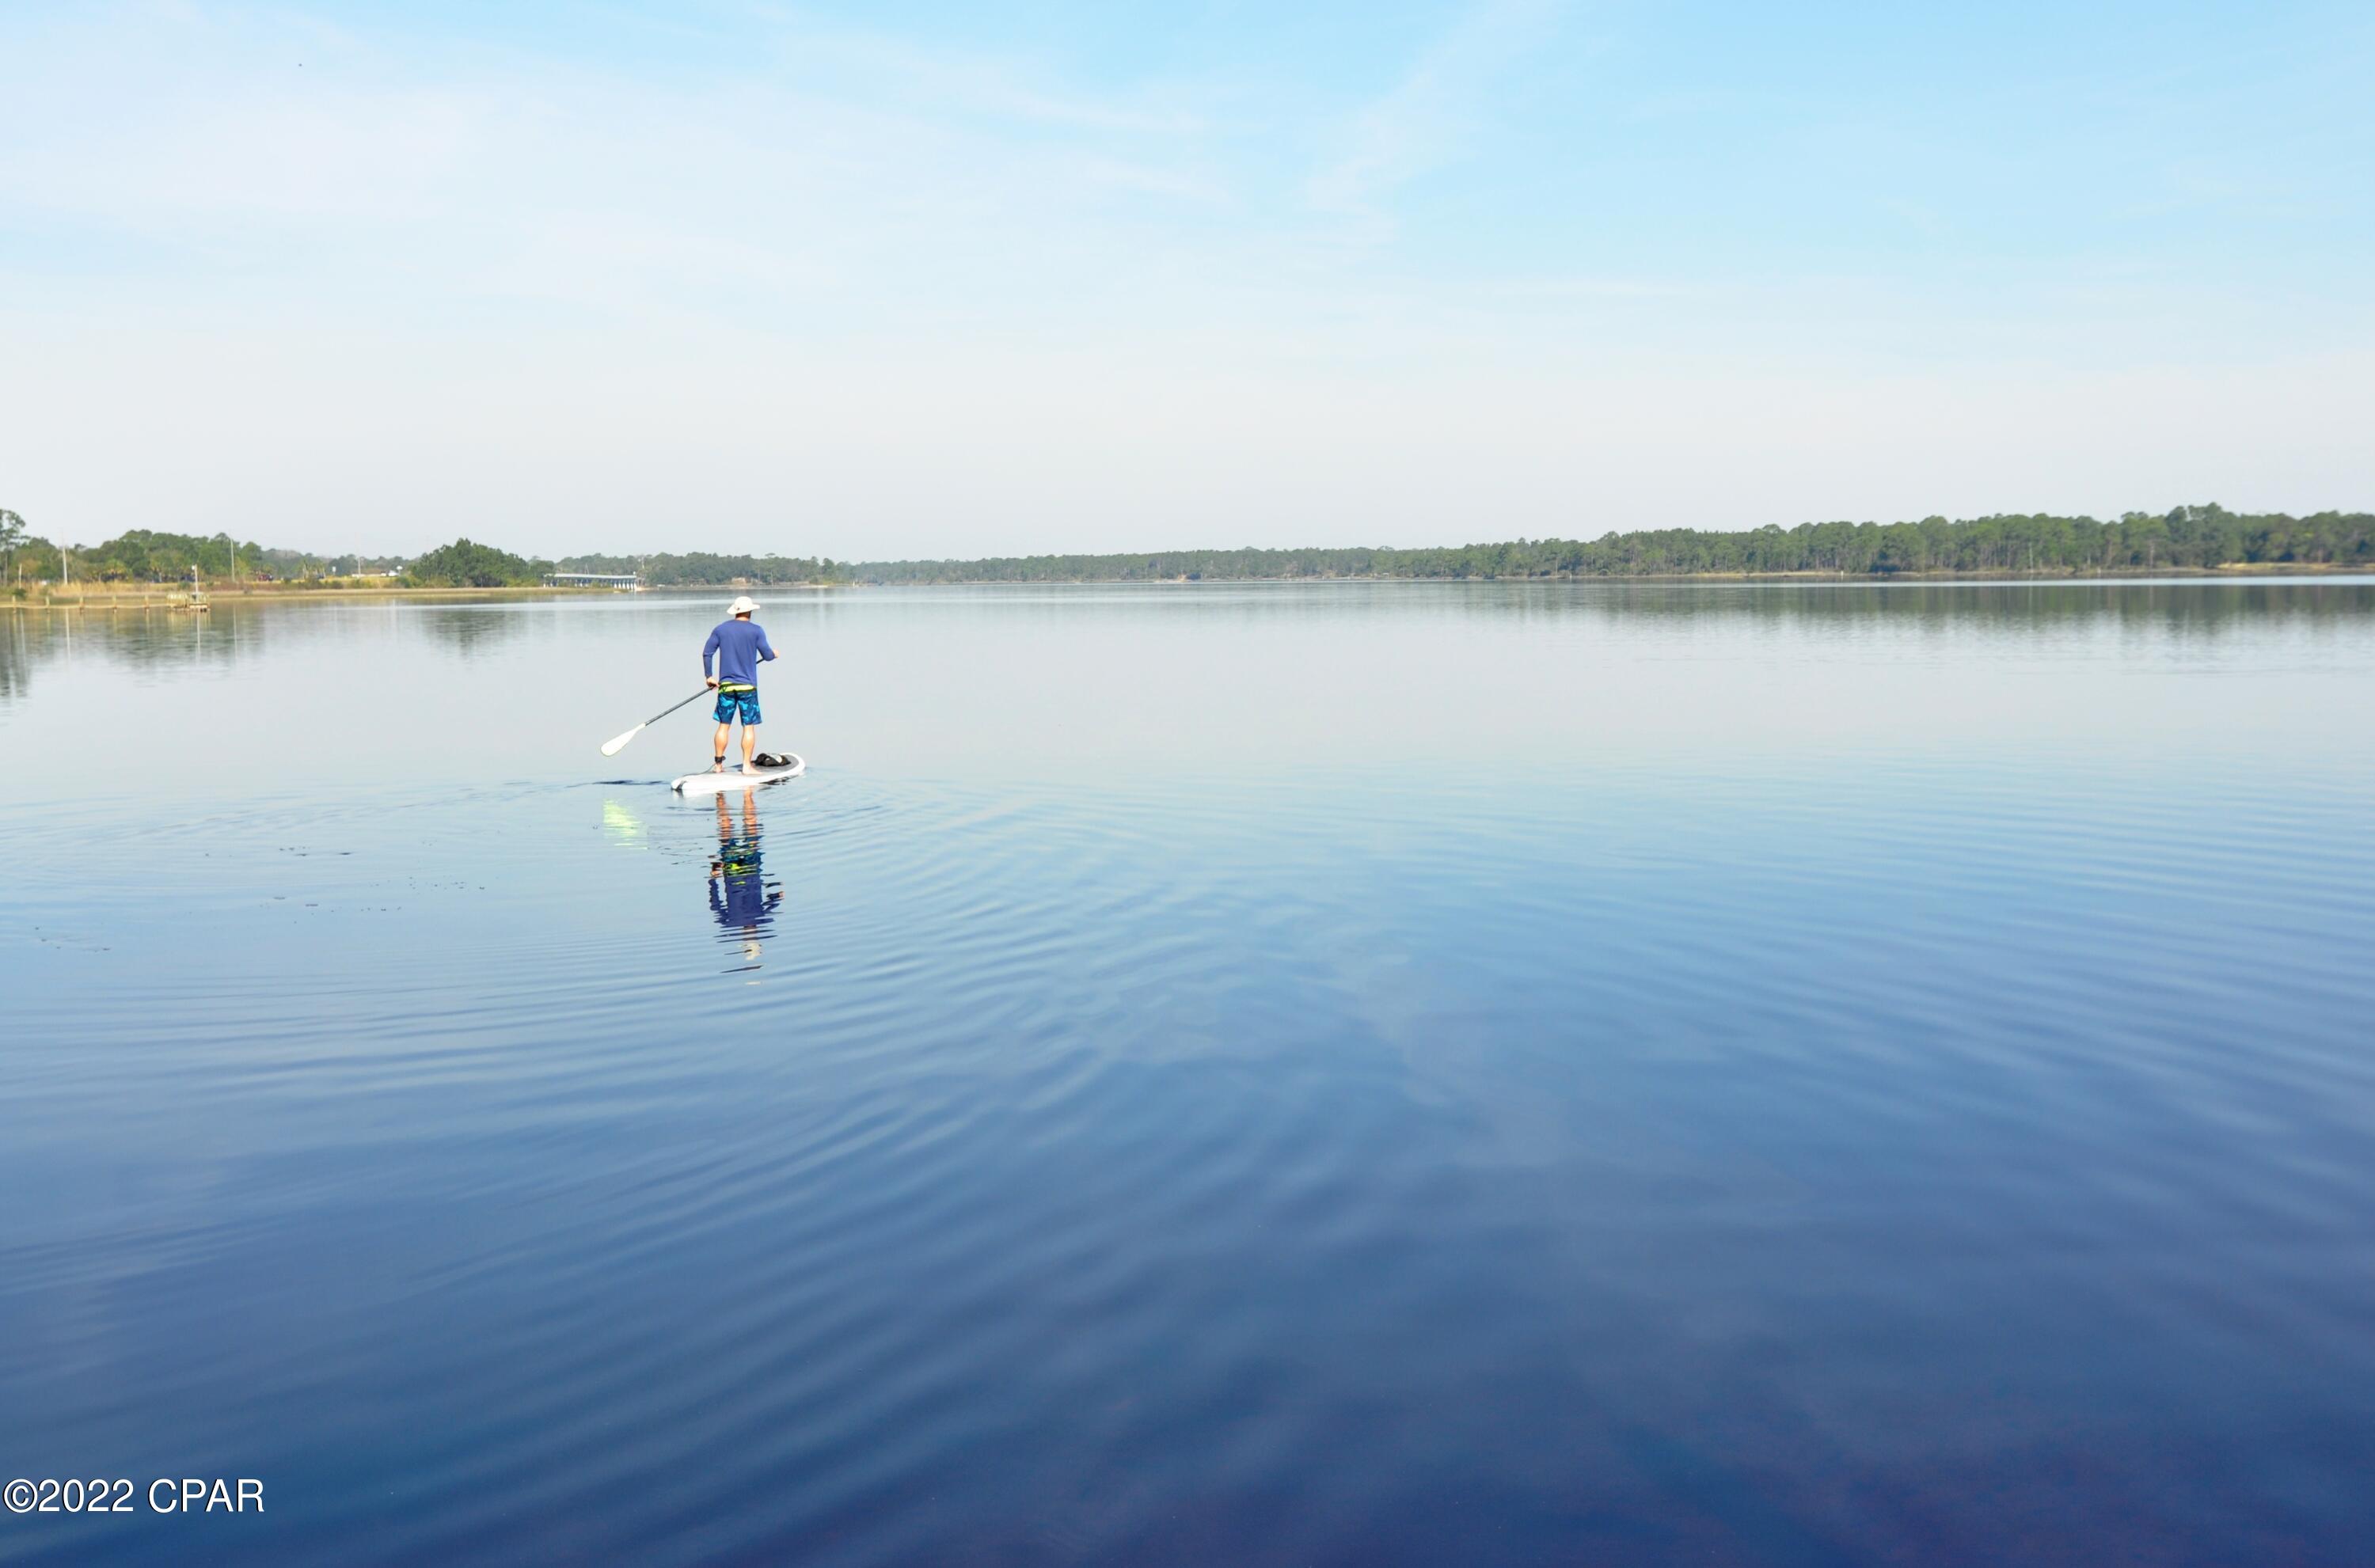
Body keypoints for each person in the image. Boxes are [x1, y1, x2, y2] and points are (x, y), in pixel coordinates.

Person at [701, 595, 777, 773]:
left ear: (735, 611)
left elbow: (707, 653)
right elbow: (767, 656)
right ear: (750, 611)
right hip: (747, 687)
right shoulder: (756, 631)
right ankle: (746, 766)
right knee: (748, 726)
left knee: (723, 725)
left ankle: (719, 765)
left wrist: (709, 676)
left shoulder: (721, 629)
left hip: (726, 686)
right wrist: (774, 654)